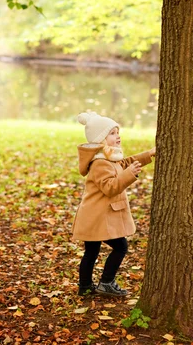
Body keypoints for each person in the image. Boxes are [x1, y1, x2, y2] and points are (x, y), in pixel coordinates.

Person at [72, 112, 155, 296]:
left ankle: (85, 286)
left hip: (98, 215)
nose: (117, 136)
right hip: (97, 217)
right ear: (101, 139)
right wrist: (129, 174)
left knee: (92, 252)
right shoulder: (100, 163)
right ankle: (105, 282)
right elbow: (110, 187)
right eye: (112, 133)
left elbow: (124, 163)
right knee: (119, 247)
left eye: (118, 132)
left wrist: (148, 155)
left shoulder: (109, 157)